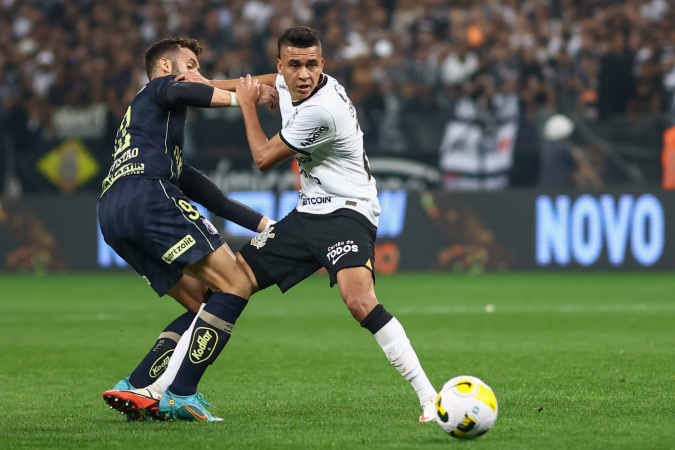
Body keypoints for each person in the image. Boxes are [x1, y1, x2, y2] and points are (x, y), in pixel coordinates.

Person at [108, 27, 438, 424]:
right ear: (281, 66)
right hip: (306, 214)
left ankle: (429, 399)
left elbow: (263, 157)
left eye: (312, 65)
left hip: (348, 213)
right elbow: (247, 85)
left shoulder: (323, 108)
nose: (303, 74)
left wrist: (246, 105)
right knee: (228, 285)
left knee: (359, 301)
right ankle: (166, 390)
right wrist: (209, 83)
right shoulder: (286, 82)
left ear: (323, 66)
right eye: (294, 65)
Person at [98, 37, 279, 421]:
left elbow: (218, 202)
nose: (198, 72)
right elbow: (196, 89)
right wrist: (245, 102)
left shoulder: (158, 142)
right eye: (191, 64)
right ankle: (181, 392)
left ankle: (136, 384)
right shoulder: (159, 87)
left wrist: (268, 225)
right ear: (166, 65)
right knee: (236, 283)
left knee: (206, 301)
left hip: (112, 213)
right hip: (147, 195)